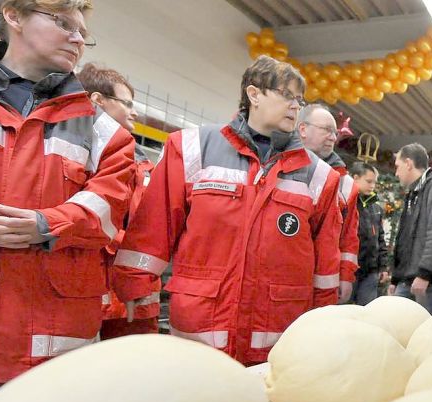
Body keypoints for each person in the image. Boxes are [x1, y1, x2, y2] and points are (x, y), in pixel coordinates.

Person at [0, 0, 135, 402]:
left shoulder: (102, 130)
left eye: (82, 30)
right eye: (62, 23)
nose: (77, 38)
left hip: (50, 349)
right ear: (13, 15)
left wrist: (48, 223)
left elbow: (110, 204)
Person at [113, 55, 342, 365]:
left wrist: (322, 318)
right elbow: (155, 223)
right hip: (200, 328)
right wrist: (134, 283)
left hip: (274, 334)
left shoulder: (319, 176)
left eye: (299, 100)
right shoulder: (192, 147)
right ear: (254, 94)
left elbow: (325, 260)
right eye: (286, 95)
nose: (295, 106)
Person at [76, 62, 160, 339]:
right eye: (127, 103)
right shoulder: (73, 154)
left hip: (135, 302)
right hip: (84, 291)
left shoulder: (146, 166)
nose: (134, 112)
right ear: (98, 101)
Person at [297, 103, 358, 303]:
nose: (333, 137)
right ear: (303, 129)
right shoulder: (276, 167)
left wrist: (346, 275)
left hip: (324, 291)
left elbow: (349, 236)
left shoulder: (345, 183)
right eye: (327, 130)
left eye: (335, 132)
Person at [388, 143, 432, 314]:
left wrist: (425, 274)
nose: (396, 173)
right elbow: (406, 238)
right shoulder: (414, 193)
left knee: (424, 334)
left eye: (397, 167)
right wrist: (396, 278)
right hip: (409, 279)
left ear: (408, 163)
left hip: (428, 282)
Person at [350, 161, 388, 305]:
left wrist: (383, 266)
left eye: (374, 182)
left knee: (367, 310)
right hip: (350, 269)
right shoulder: (346, 203)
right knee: (344, 311)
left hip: (370, 271)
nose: (372, 186)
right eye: (368, 181)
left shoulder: (375, 208)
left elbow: (380, 238)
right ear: (355, 178)